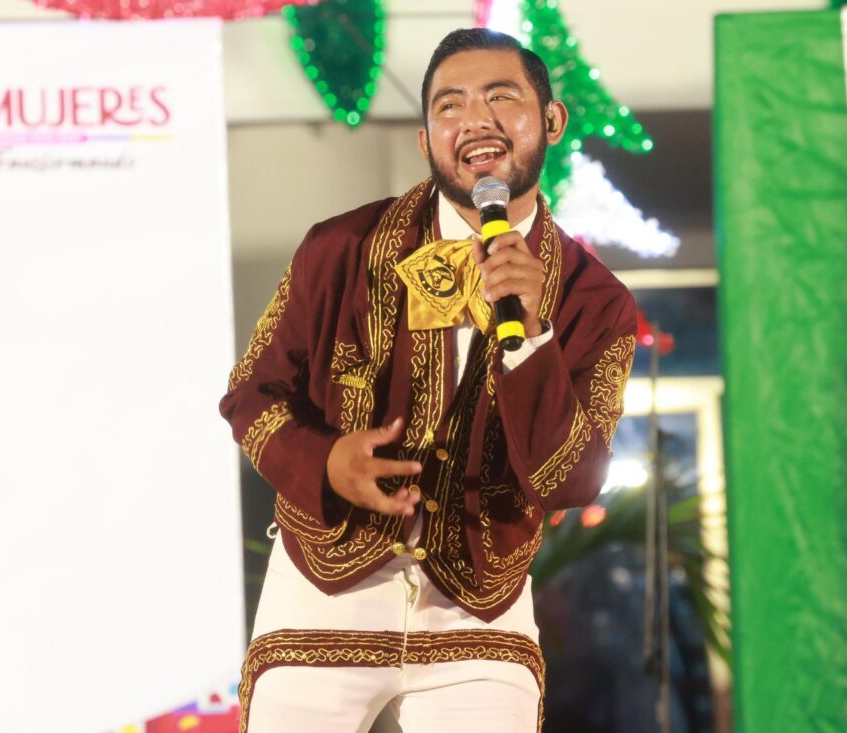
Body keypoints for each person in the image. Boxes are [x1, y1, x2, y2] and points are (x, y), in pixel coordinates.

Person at [220, 27, 637, 733]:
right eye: (450, 104)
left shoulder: (596, 302)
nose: (475, 119)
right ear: (425, 141)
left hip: (479, 606)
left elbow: (573, 481)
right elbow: (250, 394)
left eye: (501, 96)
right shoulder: (339, 249)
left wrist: (534, 336)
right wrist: (326, 463)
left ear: (552, 120)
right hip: (324, 585)